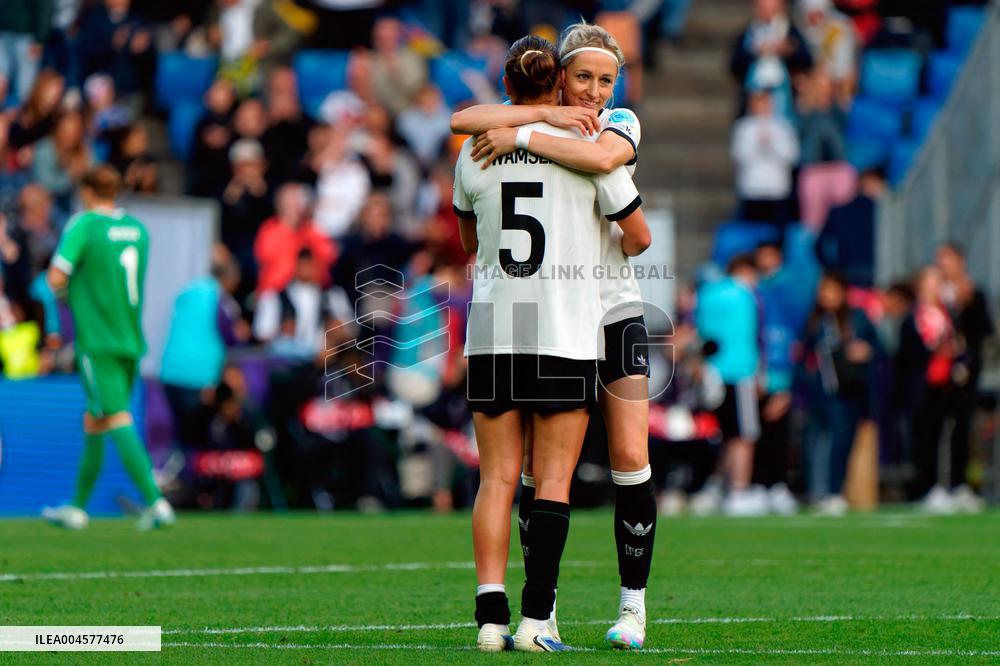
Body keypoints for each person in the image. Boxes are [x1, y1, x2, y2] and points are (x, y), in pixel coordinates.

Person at [451, 20, 656, 650]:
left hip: (610, 311)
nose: (596, 91)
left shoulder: (614, 123)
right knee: (541, 473)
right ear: (559, 78)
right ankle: (545, 612)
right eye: (584, 78)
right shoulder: (541, 126)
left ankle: (632, 606)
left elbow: (600, 158)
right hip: (555, 311)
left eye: (606, 79)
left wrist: (519, 132)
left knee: (628, 458)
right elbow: (467, 118)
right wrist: (529, 128)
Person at [42, 165, 175, 531]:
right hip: (130, 337)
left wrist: (71, 298)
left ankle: (155, 501)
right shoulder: (138, 230)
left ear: (86, 191)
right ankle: (78, 508)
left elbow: (56, 277)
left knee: (115, 416)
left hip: (97, 340)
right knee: (96, 419)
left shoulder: (83, 225)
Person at [799, 272, 881, 515]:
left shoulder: (858, 319)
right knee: (817, 442)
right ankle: (818, 491)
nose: (826, 295)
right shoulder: (816, 321)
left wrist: (865, 351)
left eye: (831, 289)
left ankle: (835, 491)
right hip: (820, 393)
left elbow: (878, 347)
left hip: (849, 392)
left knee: (842, 440)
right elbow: (802, 356)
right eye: (823, 289)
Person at [692, 255, 763, 516]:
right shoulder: (745, 295)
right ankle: (739, 490)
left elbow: (700, 332)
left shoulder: (707, 292)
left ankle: (714, 489)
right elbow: (752, 335)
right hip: (739, 372)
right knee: (743, 436)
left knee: (721, 435)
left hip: (711, 373)